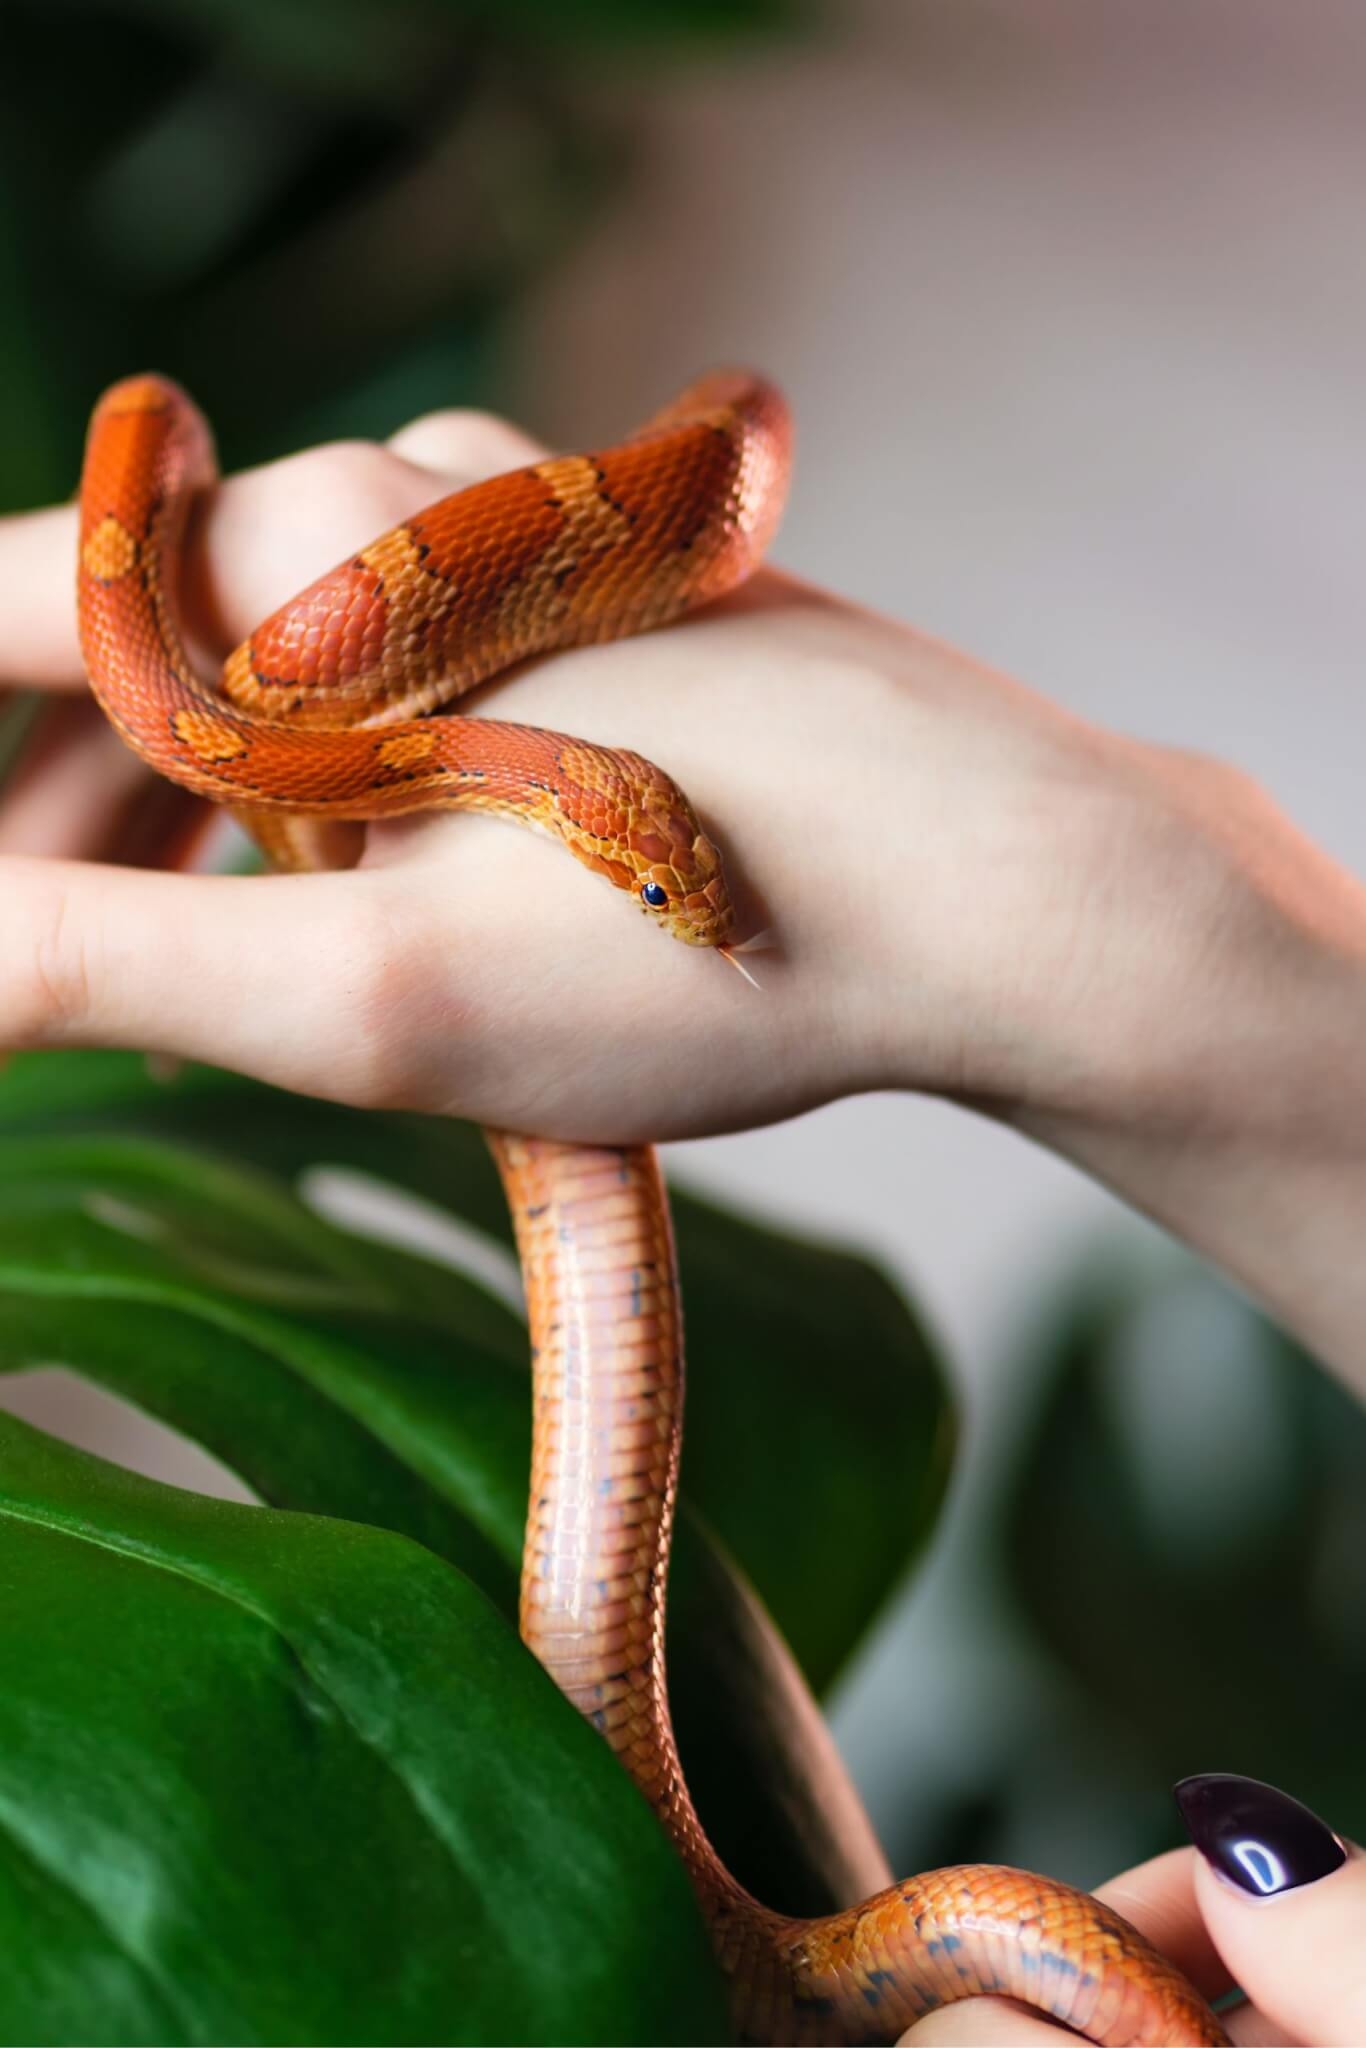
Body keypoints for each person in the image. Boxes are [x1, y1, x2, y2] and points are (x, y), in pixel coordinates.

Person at [2, 405, 1363, 2044]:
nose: (699, 905)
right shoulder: (394, 753)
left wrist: (1094, 891)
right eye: (662, 891)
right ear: (586, 825)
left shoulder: (474, 763)